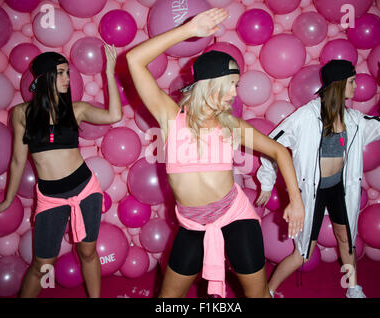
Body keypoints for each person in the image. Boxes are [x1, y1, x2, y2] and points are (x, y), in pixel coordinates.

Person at [126, 8, 304, 298]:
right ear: (212, 84)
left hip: (235, 216)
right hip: (192, 223)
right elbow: (134, 60)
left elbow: (280, 152)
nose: (235, 93)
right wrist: (188, 30)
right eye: (231, 85)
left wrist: (295, 201)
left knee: (256, 295)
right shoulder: (172, 118)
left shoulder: (230, 125)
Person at [0, 45, 122, 298]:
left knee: (88, 252)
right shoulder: (22, 113)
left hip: (85, 189)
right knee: (42, 263)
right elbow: (17, 161)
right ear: (45, 77)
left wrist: (109, 73)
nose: (68, 79)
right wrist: (8, 200)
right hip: (50, 197)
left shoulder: (76, 109)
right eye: (61, 73)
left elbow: (114, 115)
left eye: (68, 72)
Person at [256, 59, 380, 298]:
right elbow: (272, 144)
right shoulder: (305, 116)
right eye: (352, 82)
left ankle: (352, 288)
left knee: (346, 239)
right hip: (312, 192)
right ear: (339, 84)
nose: (356, 87)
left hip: (339, 189)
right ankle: (267, 291)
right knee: (304, 253)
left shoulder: (354, 120)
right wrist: (267, 181)